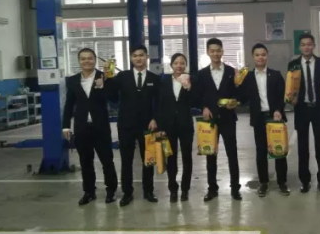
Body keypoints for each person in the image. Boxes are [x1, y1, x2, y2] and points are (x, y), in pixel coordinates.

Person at [104, 45, 161, 206]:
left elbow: (160, 102)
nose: (138, 58)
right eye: (135, 55)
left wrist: (155, 118)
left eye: (141, 55)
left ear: (147, 57)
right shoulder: (122, 77)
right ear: (131, 58)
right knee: (126, 160)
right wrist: (108, 79)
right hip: (126, 124)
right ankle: (127, 193)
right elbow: (113, 98)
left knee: (148, 160)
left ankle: (148, 191)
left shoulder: (154, 78)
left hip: (148, 125)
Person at [62, 48, 118, 205]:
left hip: (100, 127)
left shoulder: (104, 76)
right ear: (79, 61)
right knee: (85, 161)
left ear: (95, 60)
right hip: (81, 127)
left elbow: (114, 99)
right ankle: (89, 192)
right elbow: (69, 104)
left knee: (107, 160)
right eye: (83, 59)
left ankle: (111, 191)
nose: (87, 61)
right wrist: (65, 126)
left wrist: (106, 82)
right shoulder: (72, 81)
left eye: (90, 58)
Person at [238, 43, 290, 197]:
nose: (260, 57)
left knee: (279, 151)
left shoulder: (276, 75)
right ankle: (263, 182)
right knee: (261, 152)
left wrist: (278, 110)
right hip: (259, 118)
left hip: (275, 117)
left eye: (263, 55)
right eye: (257, 55)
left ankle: (282, 182)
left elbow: (282, 95)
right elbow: (242, 98)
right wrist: (237, 82)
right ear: (253, 57)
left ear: (267, 56)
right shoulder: (247, 77)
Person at [196, 38, 242, 201]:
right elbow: (197, 95)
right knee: (210, 155)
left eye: (218, 50)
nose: (215, 54)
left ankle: (235, 188)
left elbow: (239, 93)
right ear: (208, 52)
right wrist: (203, 107)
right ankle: (212, 188)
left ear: (222, 52)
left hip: (228, 118)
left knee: (232, 154)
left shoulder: (232, 72)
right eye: (212, 51)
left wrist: (235, 101)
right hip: (210, 121)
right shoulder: (201, 74)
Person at [288, 33, 320, 193]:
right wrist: (290, 99)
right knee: (302, 147)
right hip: (302, 109)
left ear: (314, 46)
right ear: (299, 47)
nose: (306, 47)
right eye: (303, 44)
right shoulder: (293, 64)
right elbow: (290, 87)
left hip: (318, 108)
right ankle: (305, 181)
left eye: (309, 44)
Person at [156, 53, 196, 203]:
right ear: (171, 65)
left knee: (187, 157)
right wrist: (160, 126)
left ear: (186, 65)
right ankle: (173, 189)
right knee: (170, 157)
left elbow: (196, 101)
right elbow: (160, 105)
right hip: (169, 126)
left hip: (185, 125)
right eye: (176, 63)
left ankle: (185, 189)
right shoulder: (164, 81)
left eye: (182, 63)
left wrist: (189, 88)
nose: (179, 66)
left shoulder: (191, 79)